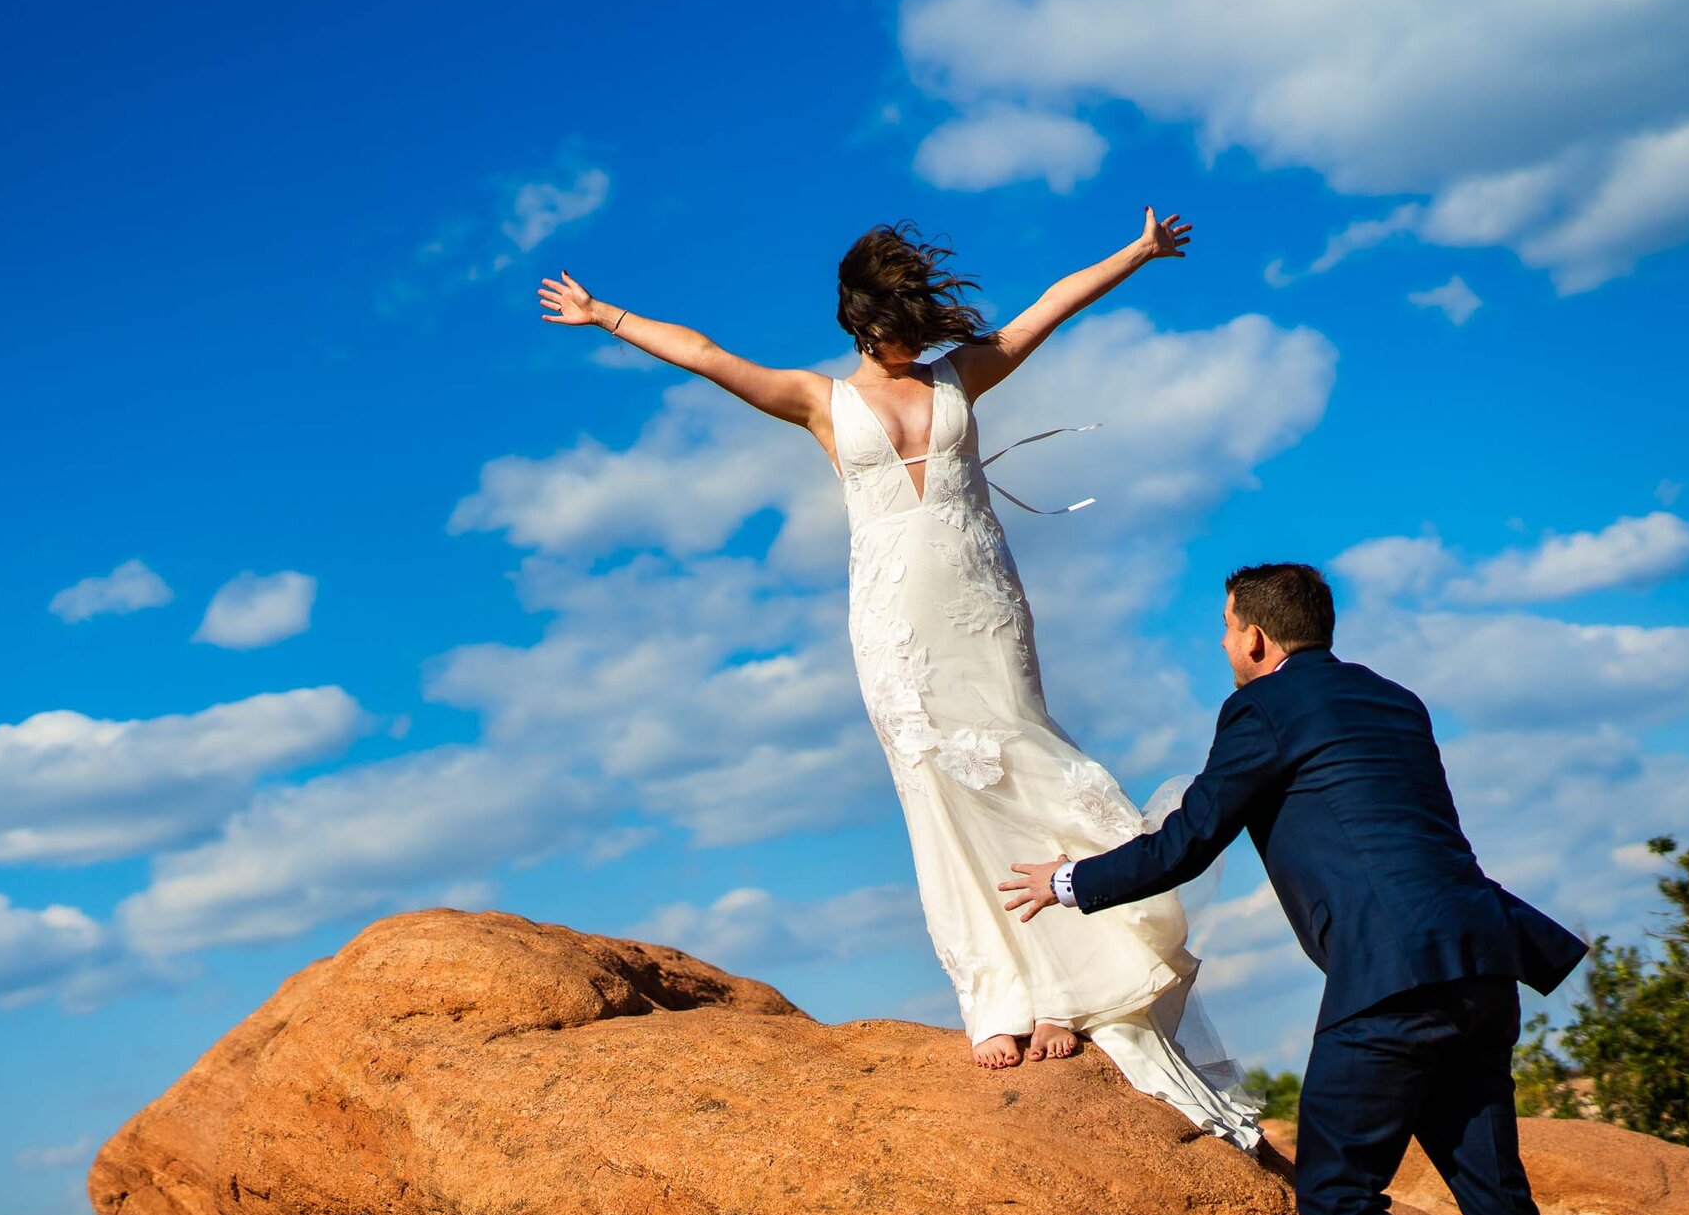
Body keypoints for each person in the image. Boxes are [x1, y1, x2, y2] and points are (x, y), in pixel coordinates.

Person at [539, 211, 1260, 1152]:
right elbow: (708, 355)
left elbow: (1049, 309)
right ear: (860, 322)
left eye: (920, 323)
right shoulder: (815, 400)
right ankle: (1001, 995)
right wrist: (605, 316)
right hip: (895, 625)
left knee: (1023, 765)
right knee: (938, 793)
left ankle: (1066, 991)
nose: (914, 341)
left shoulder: (961, 374)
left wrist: (1138, 252)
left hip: (983, 605)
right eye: (897, 327)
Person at [997, 562, 1634, 1215]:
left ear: (1255, 637)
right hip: (1482, 963)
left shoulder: (1260, 709)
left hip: (1392, 978)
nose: (1224, 645)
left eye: (1225, 629)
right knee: (1503, 1209)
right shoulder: (1394, 701)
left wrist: (1066, 882)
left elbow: (1190, 840)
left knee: (1336, 1188)